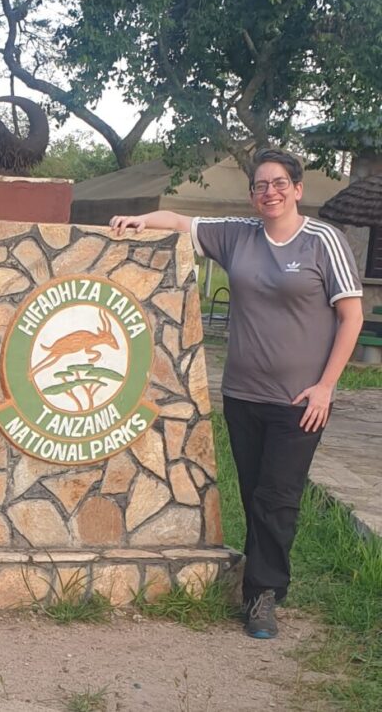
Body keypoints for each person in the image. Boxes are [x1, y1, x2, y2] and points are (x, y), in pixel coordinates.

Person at [110, 148, 363, 639]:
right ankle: (261, 581)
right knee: (253, 493)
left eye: (278, 183)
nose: (269, 192)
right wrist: (139, 219)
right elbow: (180, 222)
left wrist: (325, 388)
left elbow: (350, 316)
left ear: (297, 188)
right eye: (260, 185)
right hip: (244, 395)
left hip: (300, 400)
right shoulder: (238, 235)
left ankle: (263, 594)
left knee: (277, 495)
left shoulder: (322, 241)